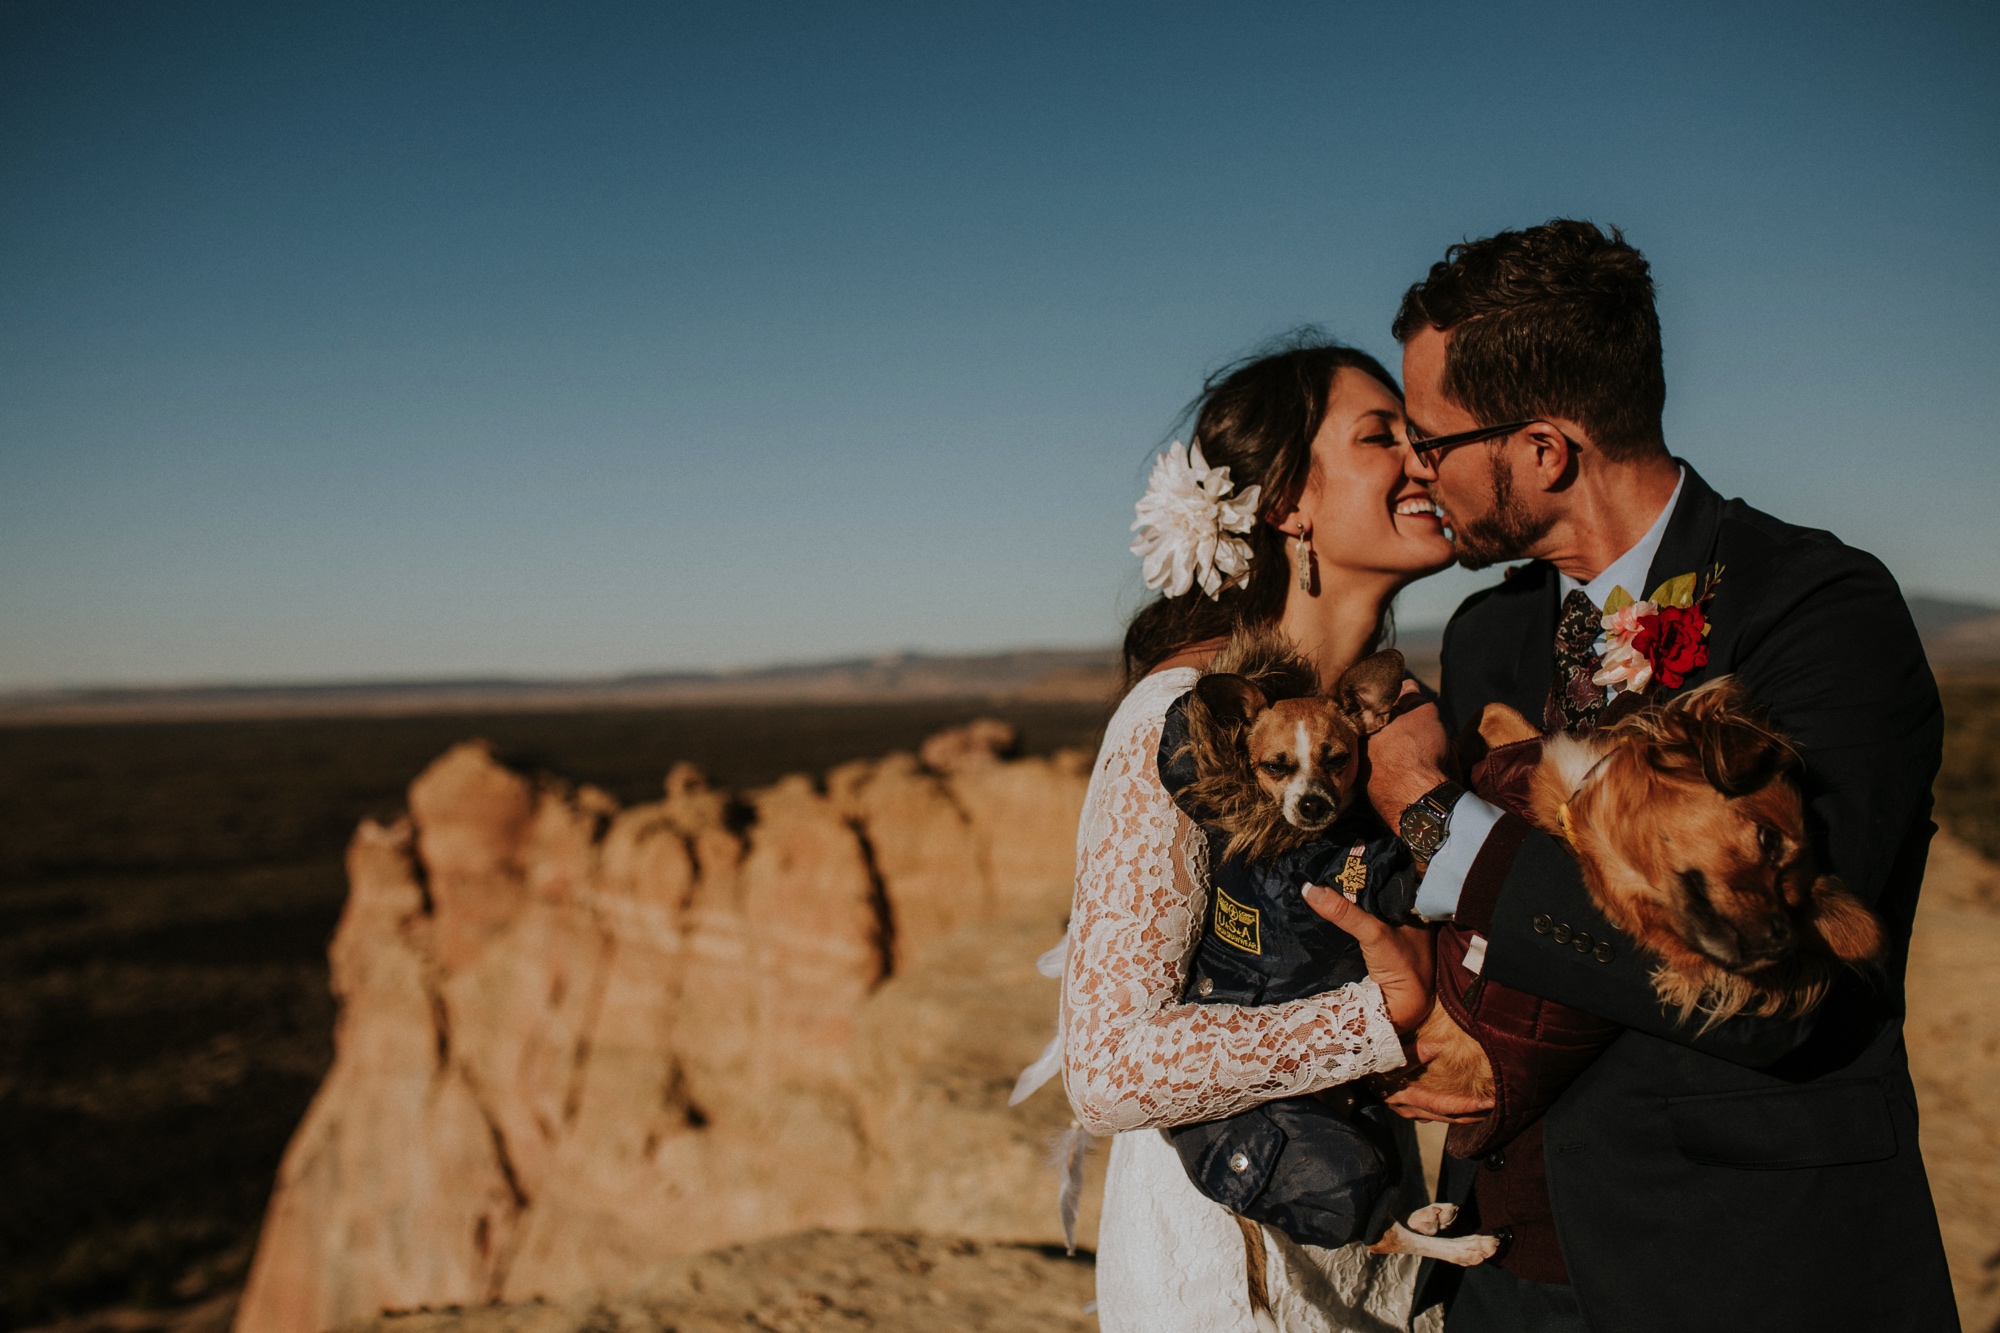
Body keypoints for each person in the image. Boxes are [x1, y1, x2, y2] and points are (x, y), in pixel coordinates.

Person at [1362, 220, 1959, 1332]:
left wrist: (1438, 821)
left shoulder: (1814, 612)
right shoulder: (1486, 638)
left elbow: (1769, 983)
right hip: (1501, 1269)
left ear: (1541, 449)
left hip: (1741, 1266)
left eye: (1430, 438)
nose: (1413, 467)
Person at [1059, 336, 1453, 1332]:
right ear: (1286, 507)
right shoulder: (1181, 717)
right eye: (1382, 438)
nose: (1424, 458)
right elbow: (1105, 1067)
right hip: (1229, 1272)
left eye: (1422, 435)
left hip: (1366, 1248)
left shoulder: (1391, 723)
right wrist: (1380, 1017)